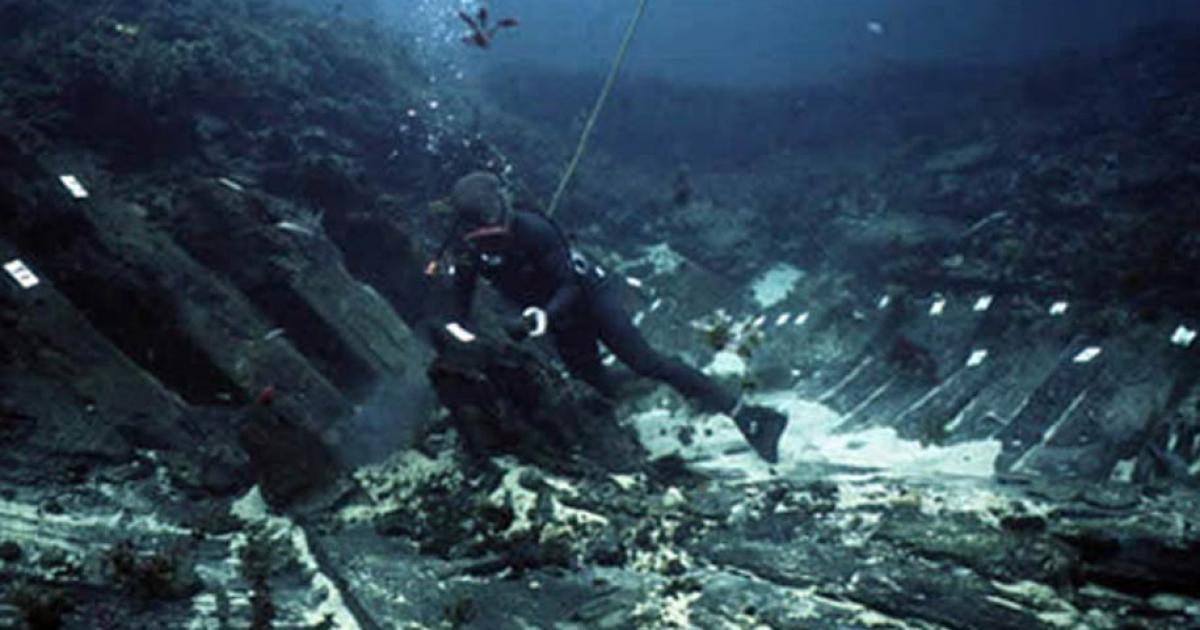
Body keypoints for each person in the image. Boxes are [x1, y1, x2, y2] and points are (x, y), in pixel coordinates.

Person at [436, 171, 788, 462]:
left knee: (646, 361)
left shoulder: (534, 230)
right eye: (477, 229)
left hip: (591, 299)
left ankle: (751, 416)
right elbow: (460, 298)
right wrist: (456, 333)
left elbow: (570, 285)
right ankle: (647, 403)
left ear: (503, 206)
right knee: (594, 386)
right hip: (558, 318)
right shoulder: (467, 249)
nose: (487, 238)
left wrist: (540, 316)